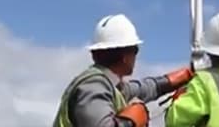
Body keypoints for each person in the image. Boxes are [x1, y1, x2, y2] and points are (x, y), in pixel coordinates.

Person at [53, 14, 194, 127]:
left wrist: (173, 80)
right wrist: (129, 122)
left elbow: (143, 89)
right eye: (135, 51)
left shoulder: (111, 86)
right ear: (125, 57)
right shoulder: (93, 86)